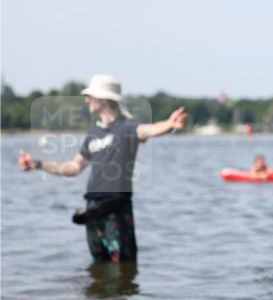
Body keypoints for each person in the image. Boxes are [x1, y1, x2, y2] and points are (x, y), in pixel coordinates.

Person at [18, 74, 186, 263]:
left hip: (116, 207)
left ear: (104, 99)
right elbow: (74, 167)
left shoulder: (128, 127)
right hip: (92, 209)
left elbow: (150, 130)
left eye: (90, 96)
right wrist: (38, 164)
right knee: (98, 265)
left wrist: (170, 125)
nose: (86, 99)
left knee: (123, 266)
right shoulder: (94, 134)